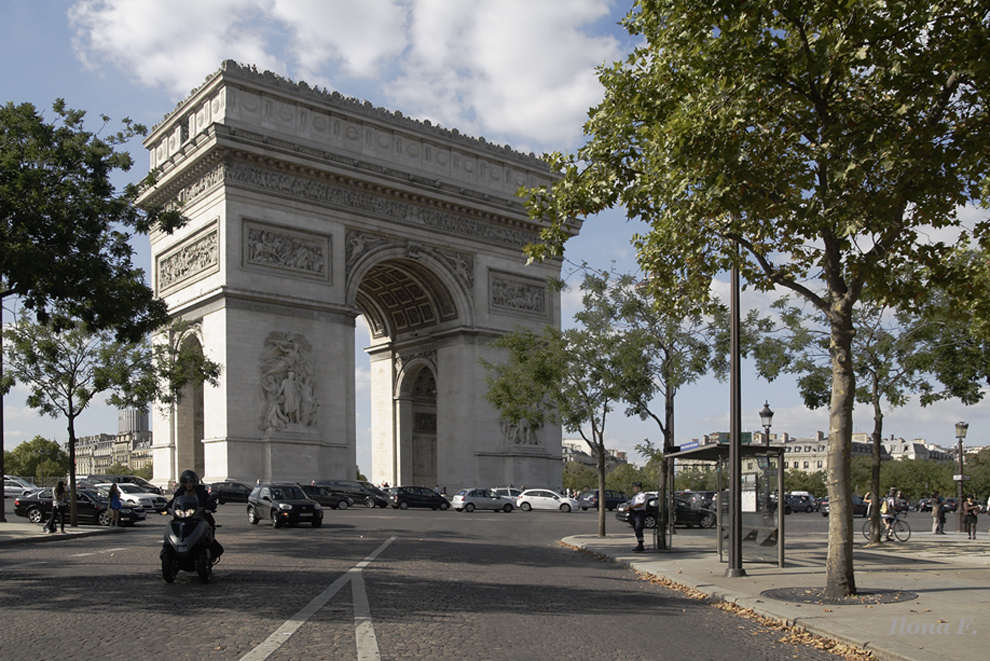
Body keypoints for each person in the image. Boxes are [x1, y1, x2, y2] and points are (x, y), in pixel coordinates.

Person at [628, 482, 648, 553]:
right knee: (636, 528)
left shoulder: (642, 495)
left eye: (635, 488)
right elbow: (633, 503)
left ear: (639, 488)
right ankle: (639, 542)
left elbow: (640, 503)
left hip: (640, 513)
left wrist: (632, 507)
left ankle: (640, 544)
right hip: (634, 513)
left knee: (638, 528)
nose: (634, 489)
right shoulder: (635, 496)